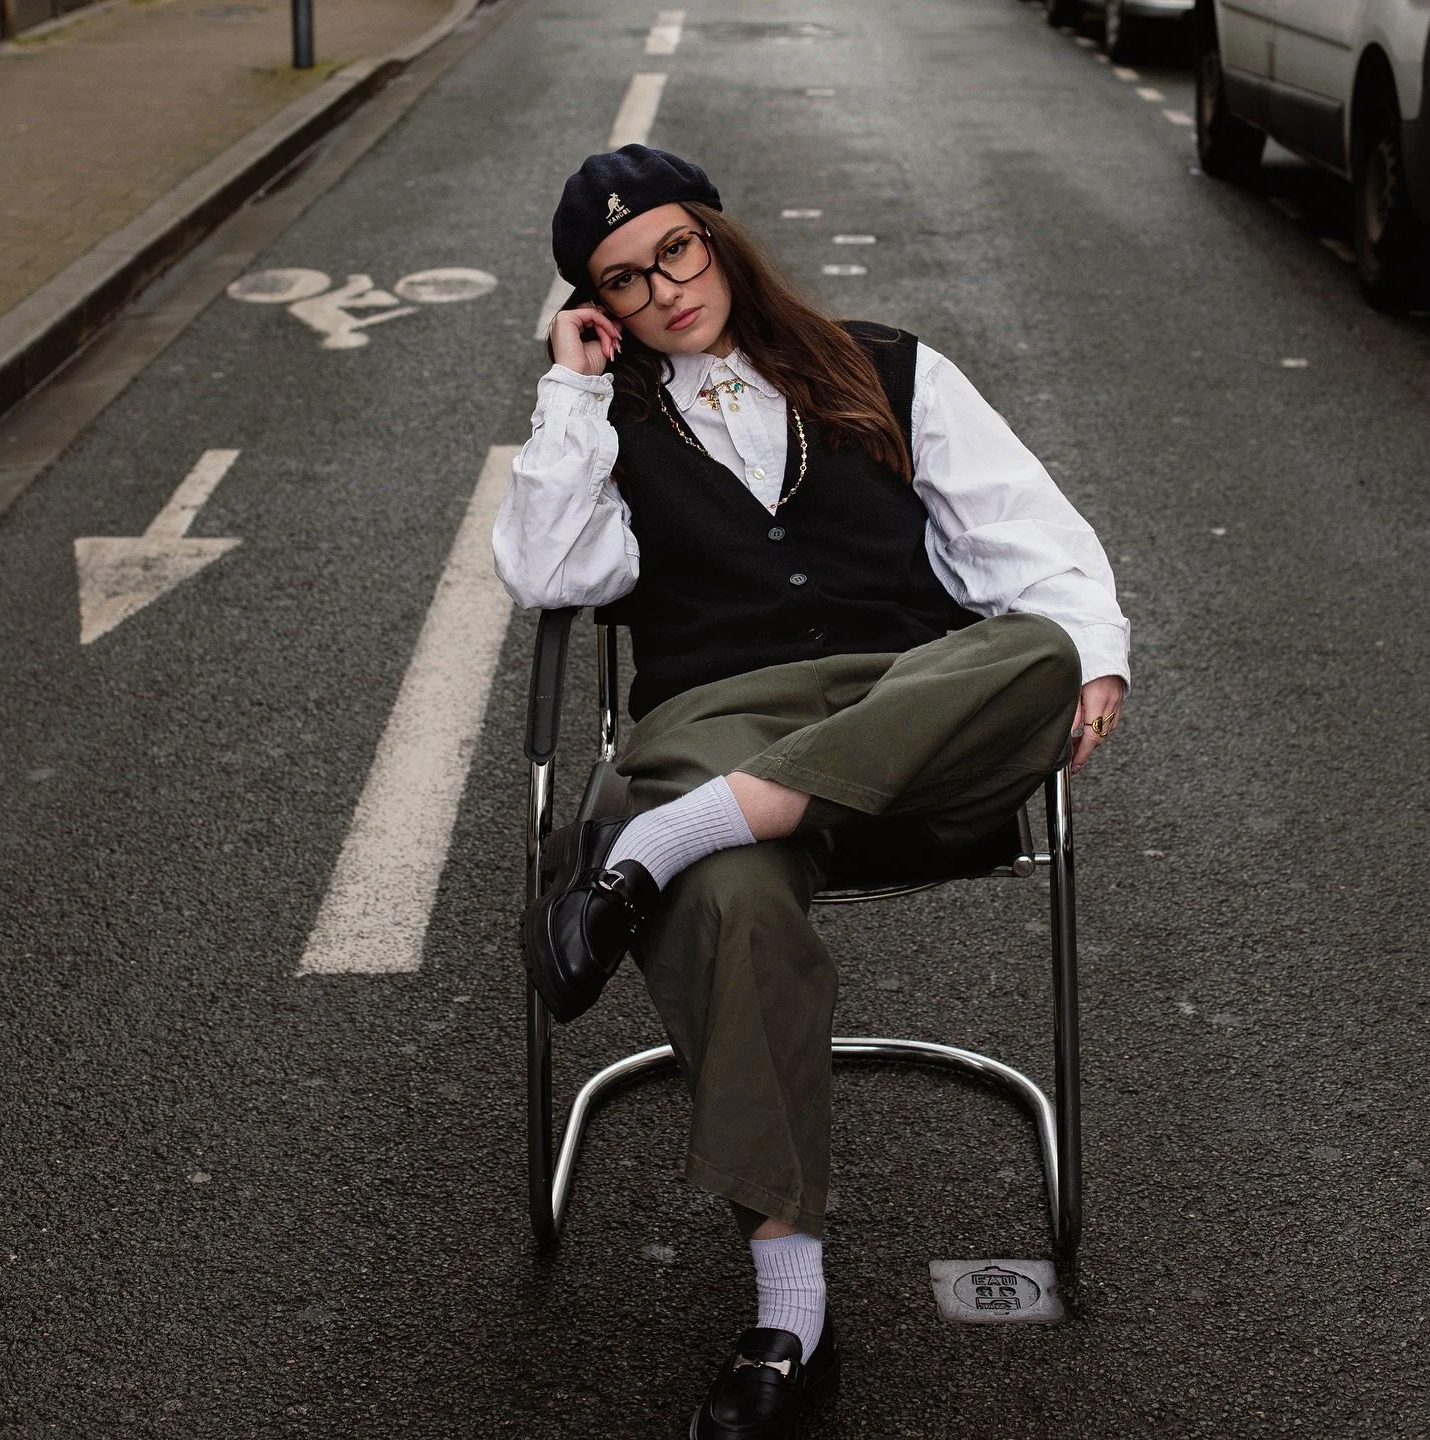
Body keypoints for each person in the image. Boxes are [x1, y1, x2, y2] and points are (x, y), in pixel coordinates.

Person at [493, 144, 1130, 1439]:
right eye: (621, 283)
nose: (663, 290)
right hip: (716, 715)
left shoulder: (888, 366)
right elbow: (549, 567)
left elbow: (1037, 542)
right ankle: (792, 1313)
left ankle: (659, 842)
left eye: (675, 250)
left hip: (909, 715)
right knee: (729, 896)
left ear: (718, 237)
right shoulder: (611, 420)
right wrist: (568, 392)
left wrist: (1093, 658)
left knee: (1044, 647)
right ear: (598, 308)